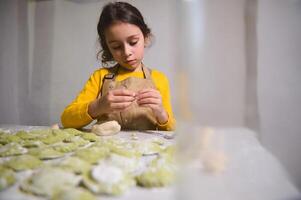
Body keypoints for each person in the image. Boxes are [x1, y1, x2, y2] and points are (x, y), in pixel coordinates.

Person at [61, 1, 175, 131]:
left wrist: (160, 112)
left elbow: (171, 131)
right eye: (116, 47)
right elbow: (66, 119)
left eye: (133, 42)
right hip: (107, 150)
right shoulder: (100, 76)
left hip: (145, 150)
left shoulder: (159, 79)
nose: (127, 53)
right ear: (108, 48)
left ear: (146, 37)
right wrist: (98, 106)